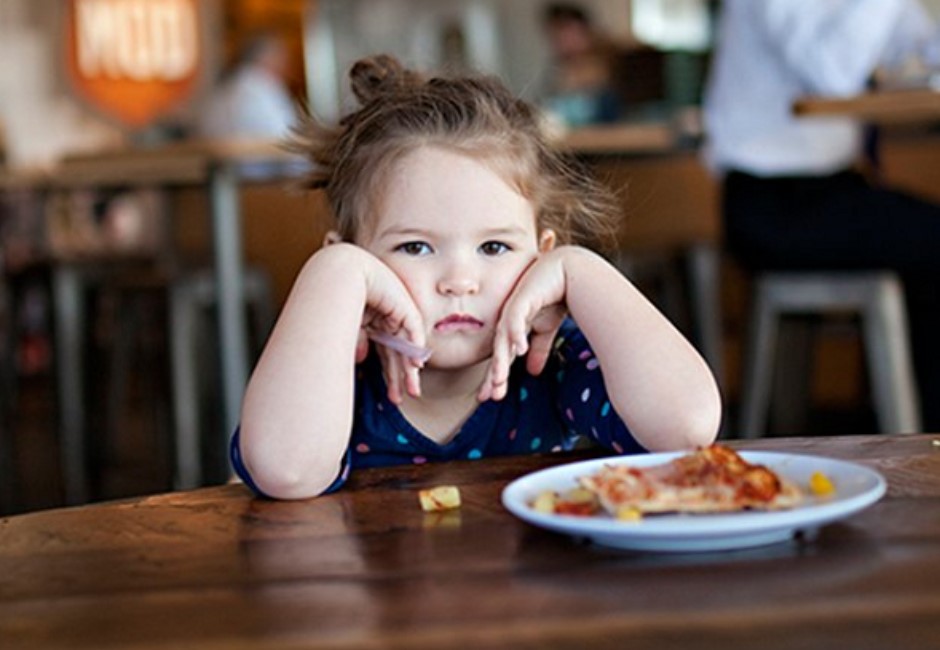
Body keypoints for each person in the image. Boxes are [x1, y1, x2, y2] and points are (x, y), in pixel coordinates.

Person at [233, 55, 721, 500]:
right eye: (416, 246)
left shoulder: (552, 364)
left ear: (539, 260)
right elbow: (286, 471)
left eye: (494, 247)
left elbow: (687, 429)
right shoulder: (332, 376)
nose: (460, 281)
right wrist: (334, 275)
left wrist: (581, 269)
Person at [702, 0, 940, 429]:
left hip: (834, 186)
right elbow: (831, 74)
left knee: (926, 237)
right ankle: (921, 435)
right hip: (768, 203)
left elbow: (921, 51)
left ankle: (906, 426)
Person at [197, 32, 297, 139]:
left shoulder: (226, 86)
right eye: (281, 57)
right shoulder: (263, 86)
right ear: (267, 58)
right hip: (265, 154)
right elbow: (288, 138)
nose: (286, 64)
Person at [540, 3, 623, 127]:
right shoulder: (557, 73)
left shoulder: (612, 68)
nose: (561, 42)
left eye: (567, 32)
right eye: (555, 36)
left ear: (585, 32)